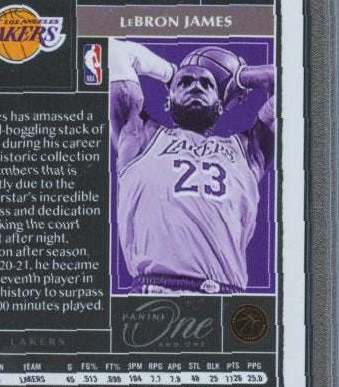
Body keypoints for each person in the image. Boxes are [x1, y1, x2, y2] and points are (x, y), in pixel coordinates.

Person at [109, 39, 275, 294]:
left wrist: (240, 77)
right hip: (155, 293)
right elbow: (114, 50)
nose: (196, 85)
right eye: (185, 83)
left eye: (207, 84)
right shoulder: (139, 137)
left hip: (224, 295)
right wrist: (170, 73)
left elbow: (297, 83)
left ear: (220, 104)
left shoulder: (249, 151)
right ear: (168, 101)